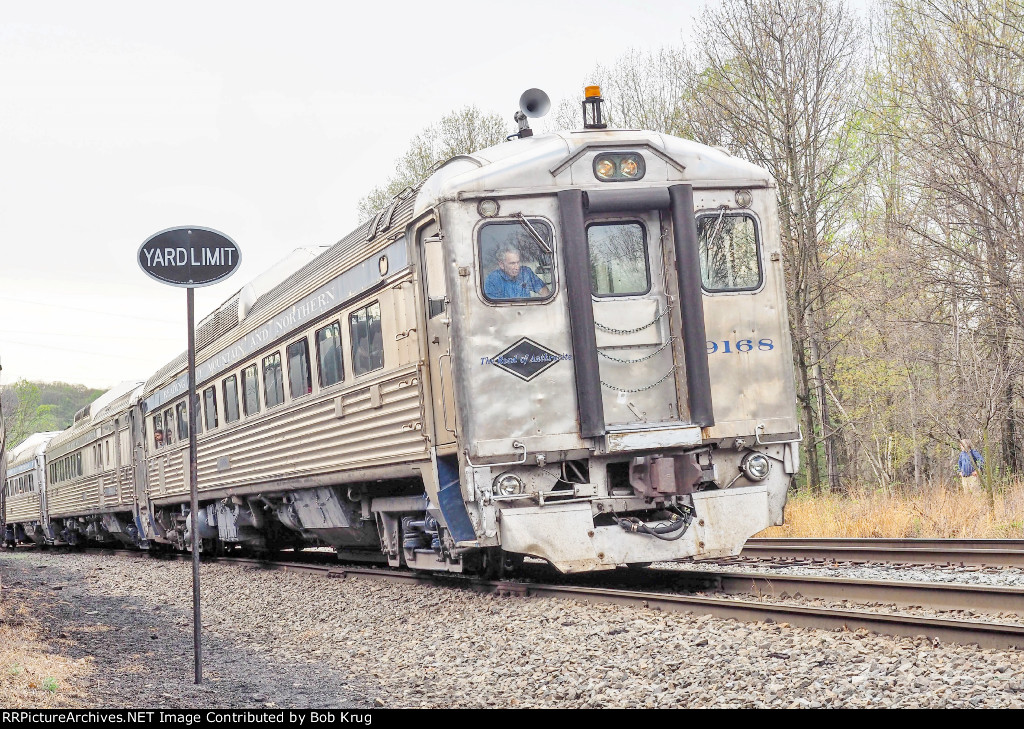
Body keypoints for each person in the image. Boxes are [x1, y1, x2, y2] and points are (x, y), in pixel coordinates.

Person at [484, 246, 550, 300]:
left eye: (518, 262)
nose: (517, 267)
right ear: (501, 265)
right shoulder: (492, 279)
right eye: (512, 263)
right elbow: (494, 307)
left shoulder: (525, 273)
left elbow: (544, 291)